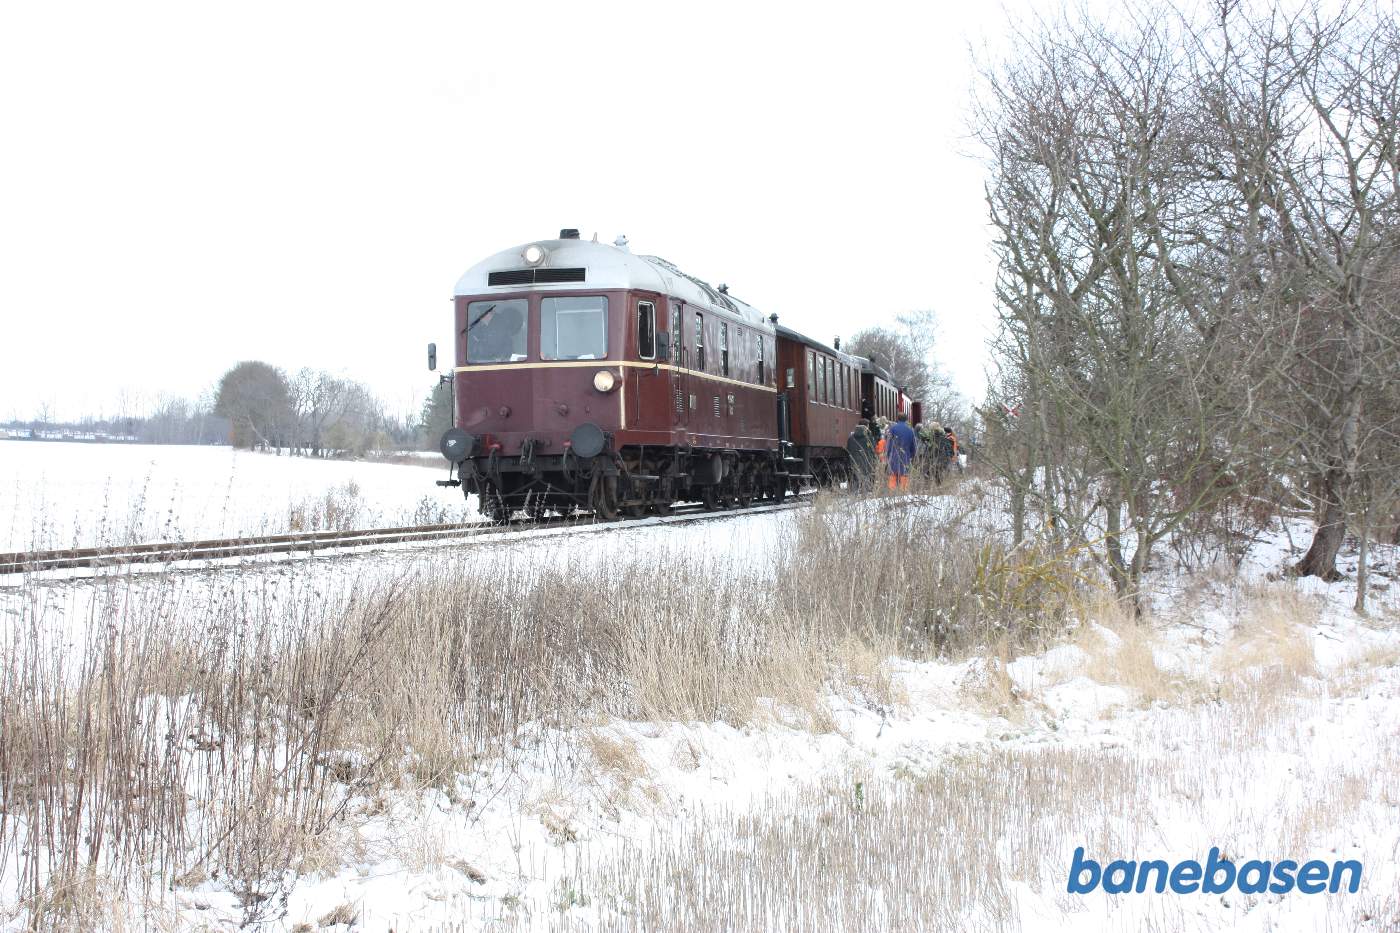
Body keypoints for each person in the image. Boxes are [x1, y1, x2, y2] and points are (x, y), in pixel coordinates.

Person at [885, 412, 917, 491]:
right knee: (904, 474)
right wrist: (912, 455)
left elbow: (888, 443)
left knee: (893, 474)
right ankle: (903, 492)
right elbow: (913, 445)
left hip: (894, 455)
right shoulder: (910, 430)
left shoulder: (892, 429)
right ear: (906, 420)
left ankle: (892, 493)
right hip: (906, 455)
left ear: (897, 419)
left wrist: (888, 454)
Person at [846, 420, 878, 488]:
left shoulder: (851, 438)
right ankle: (865, 496)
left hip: (854, 462)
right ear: (866, 426)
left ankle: (854, 495)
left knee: (855, 478)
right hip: (867, 462)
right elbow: (873, 449)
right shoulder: (868, 437)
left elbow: (848, 449)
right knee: (866, 479)